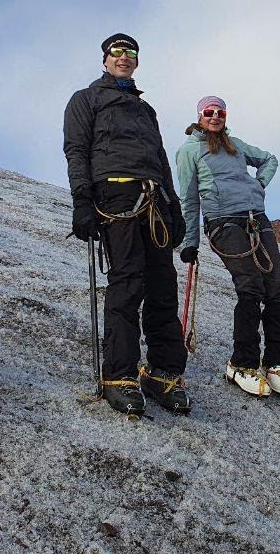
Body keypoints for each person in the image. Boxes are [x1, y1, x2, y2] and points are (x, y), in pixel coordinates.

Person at [63, 33, 191, 417]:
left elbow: (161, 159)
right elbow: (76, 149)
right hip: (115, 195)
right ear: (105, 59)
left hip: (154, 199)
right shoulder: (86, 99)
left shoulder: (146, 110)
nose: (123, 57)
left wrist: (174, 206)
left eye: (130, 52)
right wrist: (82, 200)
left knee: (163, 285)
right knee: (128, 280)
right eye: (116, 52)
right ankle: (119, 375)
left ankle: (163, 372)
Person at [176, 96, 280, 398]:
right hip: (223, 222)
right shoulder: (189, 150)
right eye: (209, 112)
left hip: (256, 218)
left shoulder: (235, 144)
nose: (215, 116)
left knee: (277, 286)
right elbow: (189, 198)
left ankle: (276, 363)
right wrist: (190, 241)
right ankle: (242, 363)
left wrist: (258, 184)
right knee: (251, 285)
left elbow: (269, 159)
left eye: (220, 112)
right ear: (200, 116)